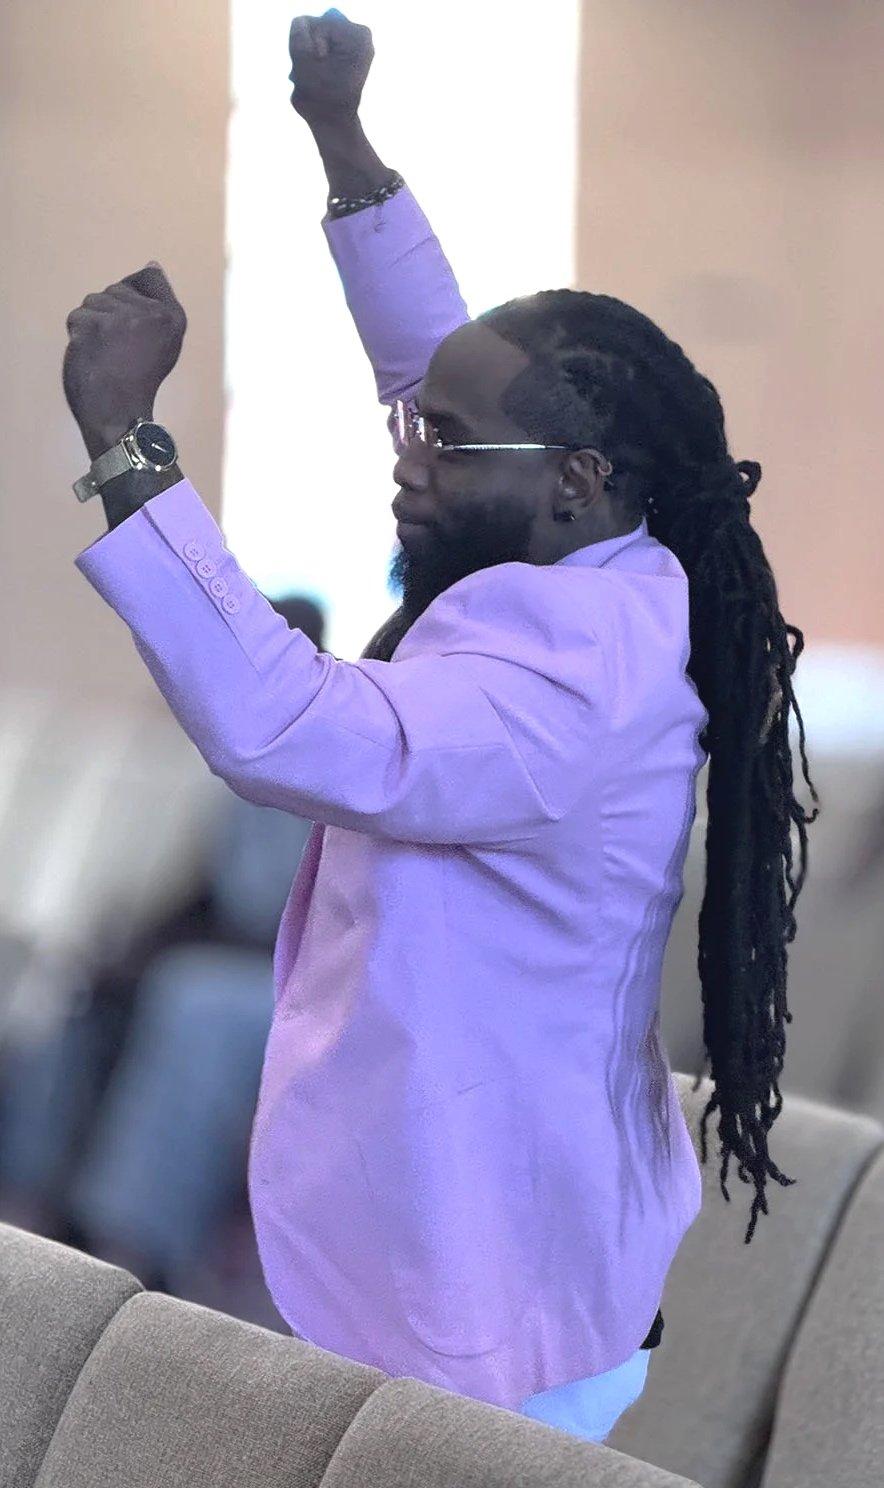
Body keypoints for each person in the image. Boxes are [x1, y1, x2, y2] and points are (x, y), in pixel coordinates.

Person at [58, 9, 816, 1441]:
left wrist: (127, 446)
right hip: (456, 1209)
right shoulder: (580, 548)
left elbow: (282, 725)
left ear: (578, 476)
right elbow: (450, 374)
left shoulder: (575, 683)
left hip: (491, 1281)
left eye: (442, 444)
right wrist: (342, 137)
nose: (410, 448)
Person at [0, 597, 323, 1298]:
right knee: (83, 987)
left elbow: (291, 913)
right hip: (223, 954)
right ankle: (35, 1215)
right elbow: (203, 887)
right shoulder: (236, 760)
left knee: (185, 997)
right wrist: (129, 949)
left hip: (295, 968)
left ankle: (125, 1265)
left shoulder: (317, 759)